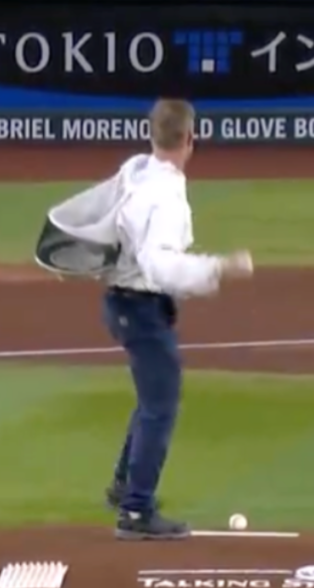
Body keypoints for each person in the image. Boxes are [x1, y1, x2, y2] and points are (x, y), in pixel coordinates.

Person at [34, 99, 254, 540]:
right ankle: (136, 511)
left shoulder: (136, 170)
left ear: (152, 136)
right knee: (161, 403)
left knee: (151, 396)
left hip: (123, 303)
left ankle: (122, 486)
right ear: (191, 139)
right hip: (139, 307)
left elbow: (99, 217)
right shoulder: (166, 197)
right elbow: (161, 267)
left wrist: (77, 259)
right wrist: (221, 267)